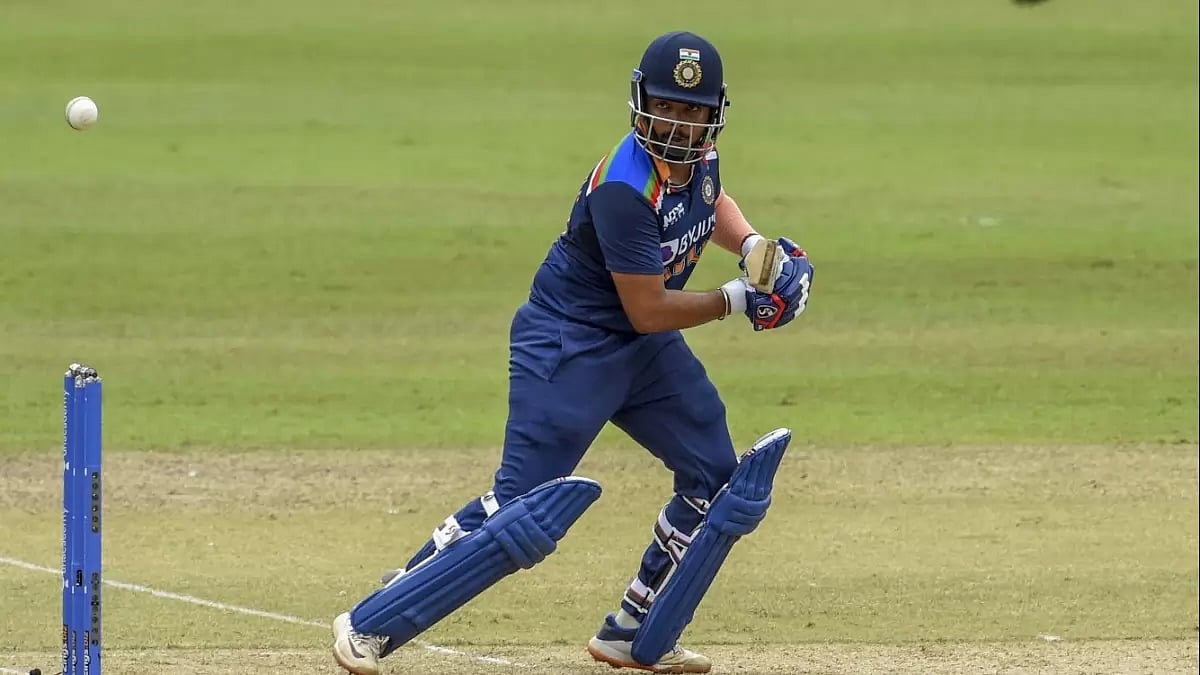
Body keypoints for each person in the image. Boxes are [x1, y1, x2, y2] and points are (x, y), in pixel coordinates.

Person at [332, 30, 814, 675]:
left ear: (714, 114)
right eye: (666, 106)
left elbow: (709, 200)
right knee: (522, 509)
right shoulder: (624, 186)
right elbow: (648, 309)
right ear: (642, 103)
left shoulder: (700, 156)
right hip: (570, 344)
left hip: (643, 351)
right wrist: (737, 298)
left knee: (716, 479)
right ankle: (375, 617)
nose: (678, 124)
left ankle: (637, 628)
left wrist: (753, 245)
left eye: (692, 111)